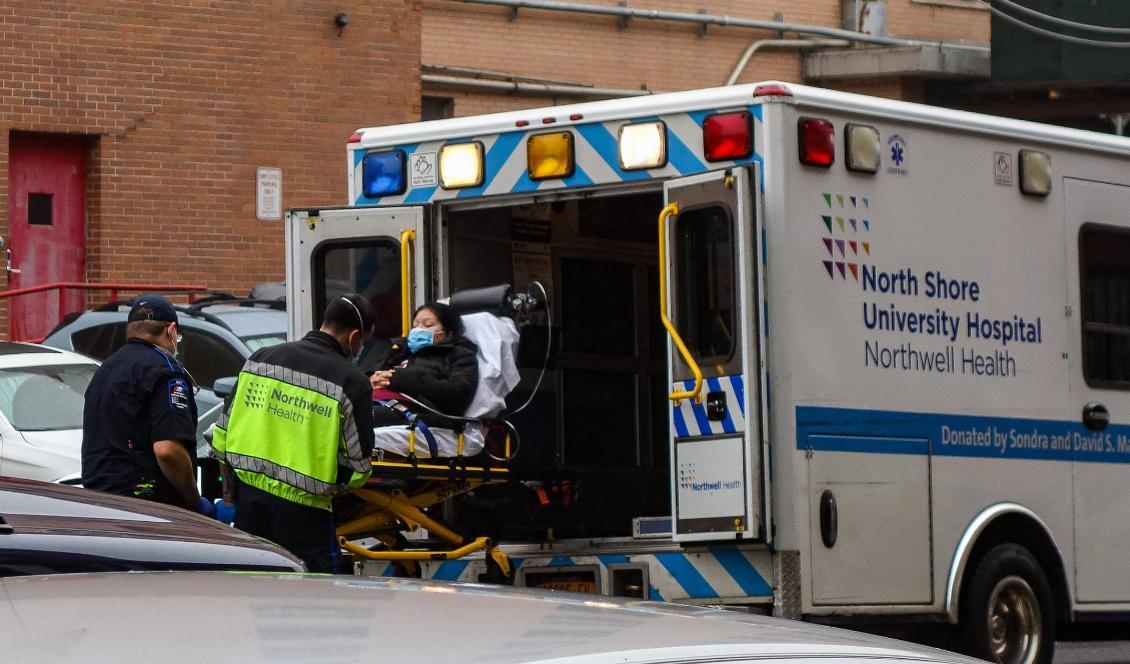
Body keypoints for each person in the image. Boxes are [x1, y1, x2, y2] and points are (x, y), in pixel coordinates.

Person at [209, 294, 377, 573]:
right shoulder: (351, 381)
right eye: (362, 343)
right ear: (354, 337)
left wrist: (235, 492)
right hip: (306, 516)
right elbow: (359, 468)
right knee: (309, 601)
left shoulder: (261, 359)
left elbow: (222, 433)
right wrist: (338, 487)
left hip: (250, 504)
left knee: (253, 588)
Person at [82, 294, 212, 516]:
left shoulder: (105, 370)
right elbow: (168, 450)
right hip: (148, 506)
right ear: (171, 330)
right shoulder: (166, 372)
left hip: (99, 501)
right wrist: (193, 501)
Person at [369, 302, 479, 430]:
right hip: (378, 401)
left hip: (421, 413)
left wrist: (402, 379)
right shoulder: (399, 351)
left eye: (428, 325)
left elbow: (458, 394)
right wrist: (371, 380)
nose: (418, 329)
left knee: (362, 416)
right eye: (415, 325)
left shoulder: (460, 355)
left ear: (449, 333)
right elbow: (375, 375)